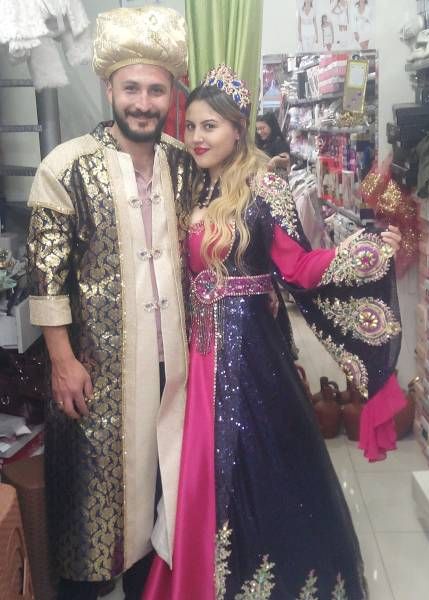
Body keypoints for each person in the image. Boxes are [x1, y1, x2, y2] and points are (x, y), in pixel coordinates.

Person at [142, 65, 404, 599]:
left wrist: (366, 251)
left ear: (238, 129)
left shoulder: (265, 187)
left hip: (249, 356)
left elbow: (298, 266)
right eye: (191, 126)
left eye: (210, 126)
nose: (197, 137)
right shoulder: (197, 183)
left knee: (254, 466)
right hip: (199, 351)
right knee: (198, 467)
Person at [26, 6, 192, 599]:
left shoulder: (183, 162)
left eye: (155, 90)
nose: (143, 103)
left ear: (170, 94)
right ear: (109, 89)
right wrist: (63, 361)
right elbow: (46, 278)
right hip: (96, 373)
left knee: (161, 502)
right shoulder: (65, 167)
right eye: (131, 89)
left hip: (174, 369)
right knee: (91, 520)